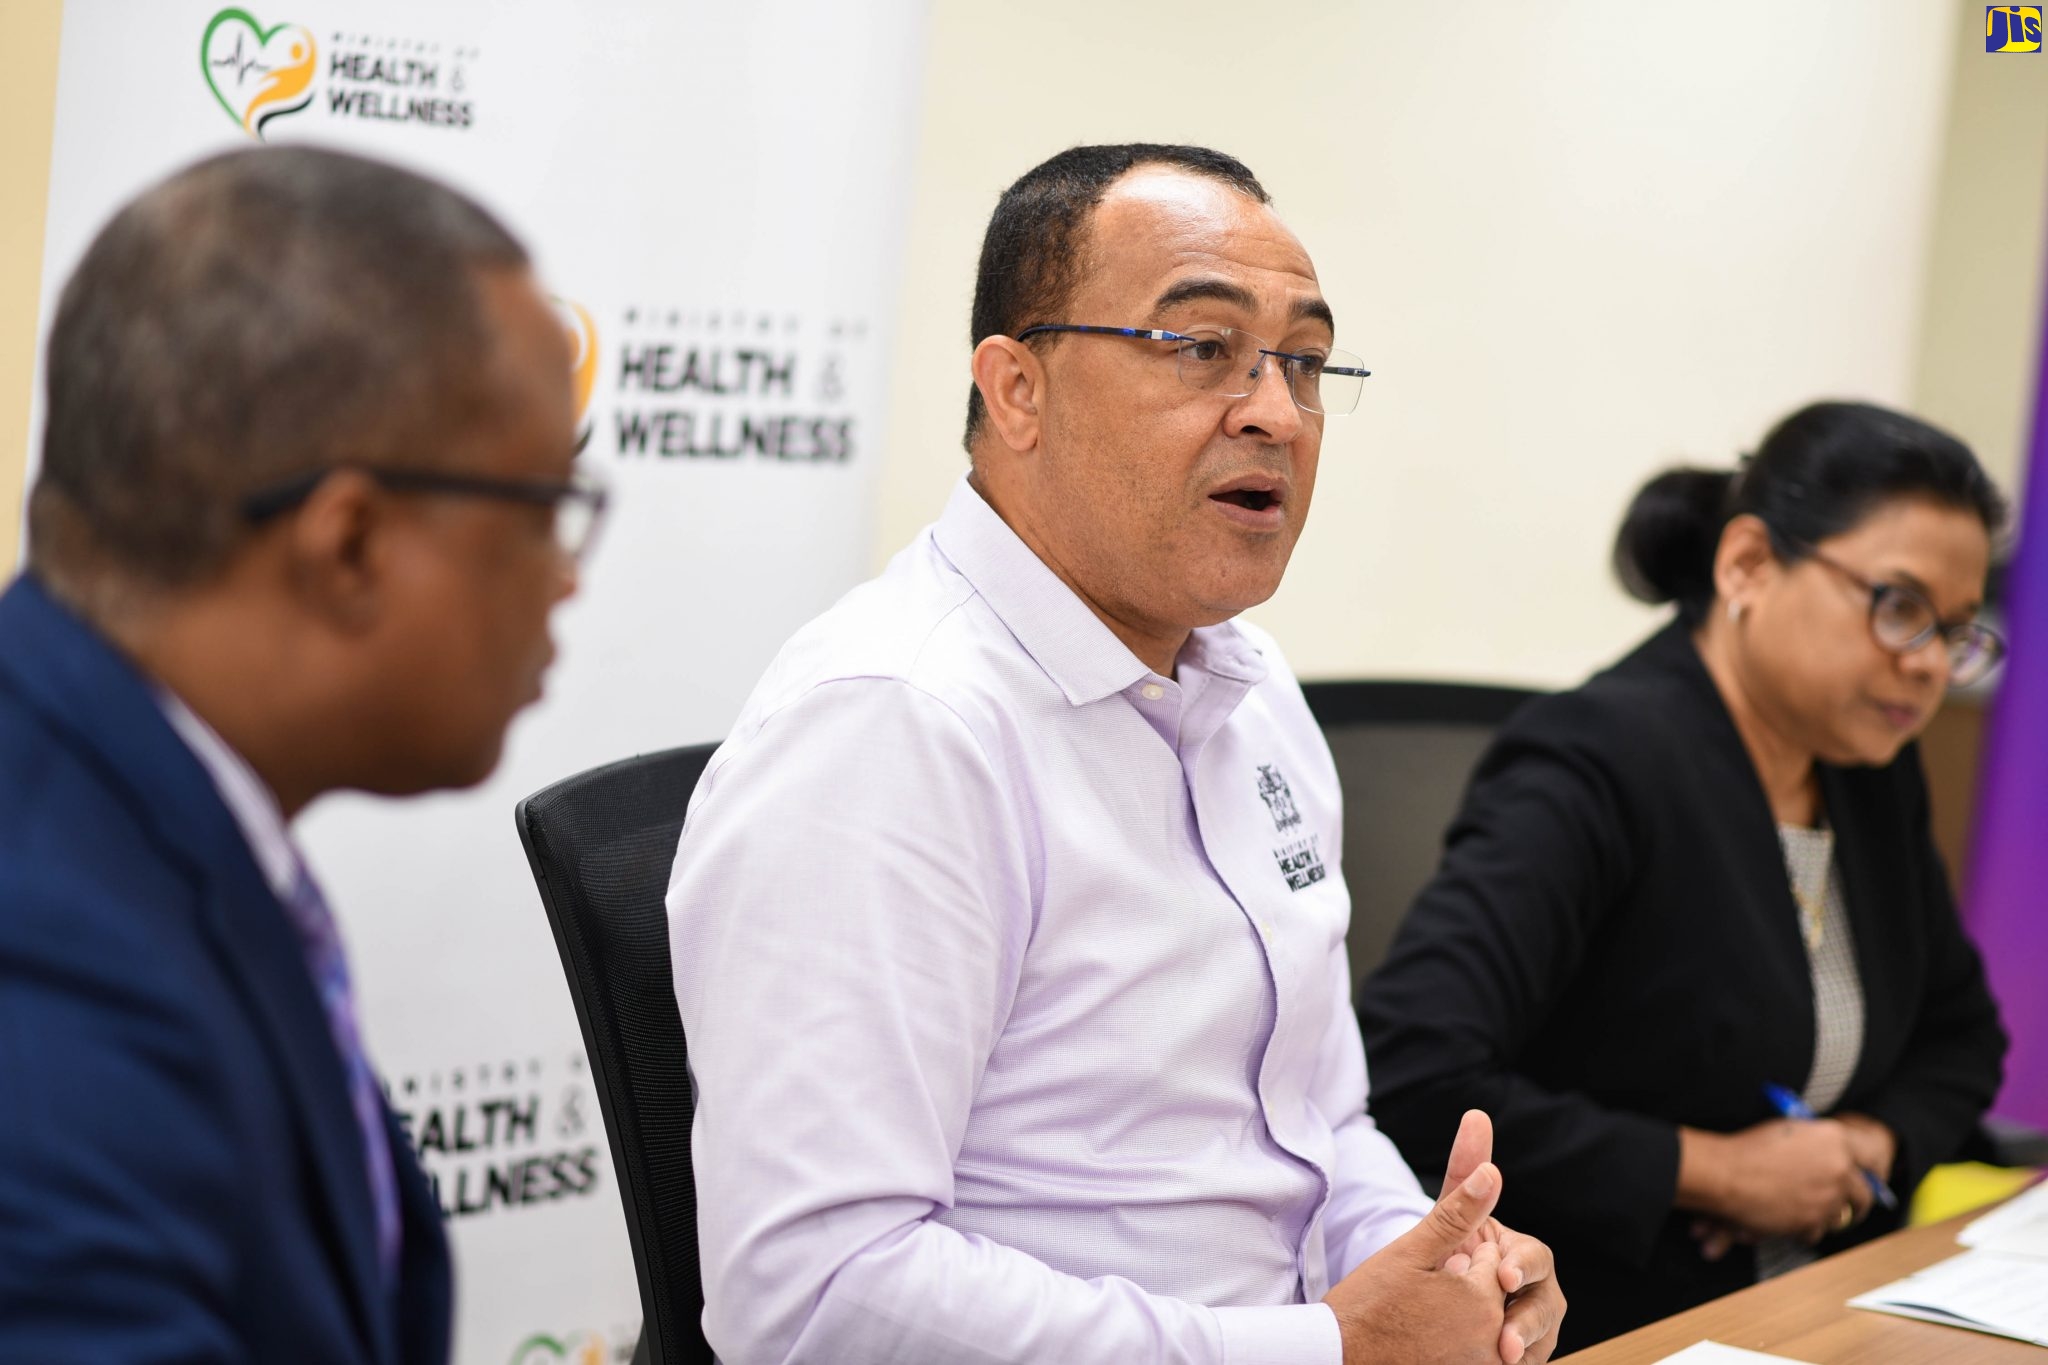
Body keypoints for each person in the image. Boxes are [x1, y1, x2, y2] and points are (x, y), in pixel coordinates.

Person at [667, 143, 1564, 1365]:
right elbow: (816, 1296)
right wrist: (1322, 1351)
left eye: (1301, 361)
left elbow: (1315, 1119)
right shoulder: (895, 726)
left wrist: (1434, 1259)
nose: (1273, 412)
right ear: (1014, 390)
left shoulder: (1252, 694)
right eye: (1200, 348)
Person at [0, 146, 604, 1363]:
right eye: (543, 507)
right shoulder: (48, 971)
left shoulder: (138, 811)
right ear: (350, 545)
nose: (567, 574)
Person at [1356, 400, 2009, 1351]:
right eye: (1900, 607)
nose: (1929, 667)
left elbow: (1961, 1036)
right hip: (1623, 1311)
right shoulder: (1595, 761)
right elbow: (1415, 1066)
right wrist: (1714, 1170)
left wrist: (1866, 1146)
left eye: (1955, 631)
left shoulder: (1867, 766)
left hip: (1835, 1295)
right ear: (1747, 563)